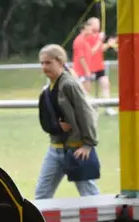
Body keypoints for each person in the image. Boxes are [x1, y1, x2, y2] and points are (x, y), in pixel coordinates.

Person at [35, 44, 100, 200]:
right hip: (55, 149)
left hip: (76, 150)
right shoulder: (47, 89)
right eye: (42, 63)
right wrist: (56, 126)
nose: (44, 67)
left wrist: (88, 144)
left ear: (60, 61)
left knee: (89, 195)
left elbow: (86, 113)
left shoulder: (69, 84)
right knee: (41, 195)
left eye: (48, 62)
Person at [84, 17, 117, 116]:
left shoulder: (98, 36)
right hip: (88, 67)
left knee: (105, 83)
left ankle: (108, 107)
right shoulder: (86, 36)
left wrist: (109, 44)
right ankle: (86, 109)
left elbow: (101, 48)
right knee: (86, 89)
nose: (98, 25)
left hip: (99, 67)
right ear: (90, 25)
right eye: (96, 23)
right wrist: (99, 40)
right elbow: (92, 51)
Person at [72, 22, 93, 95]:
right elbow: (81, 57)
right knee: (84, 93)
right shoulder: (79, 40)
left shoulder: (85, 40)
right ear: (83, 29)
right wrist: (87, 71)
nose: (91, 30)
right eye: (89, 28)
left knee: (87, 92)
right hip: (80, 72)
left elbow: (91, 53)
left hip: (84, 72)